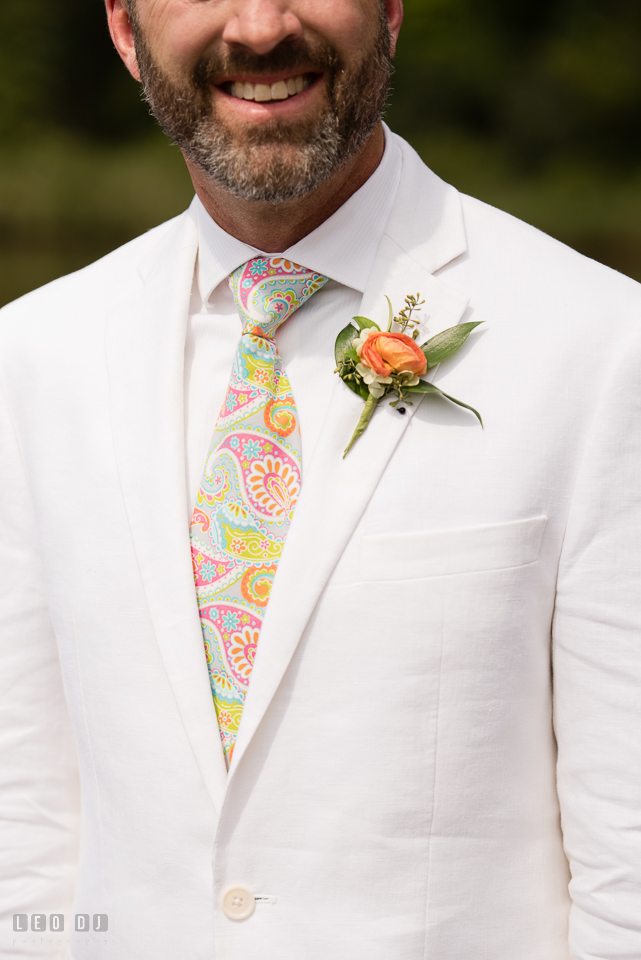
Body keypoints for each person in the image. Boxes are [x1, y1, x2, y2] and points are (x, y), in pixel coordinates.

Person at [1, 0, 640, 957]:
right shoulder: (30, 356)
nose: (259, 27)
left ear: (389, 11)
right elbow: (27, 833)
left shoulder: (602, 346)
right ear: (125, 30)